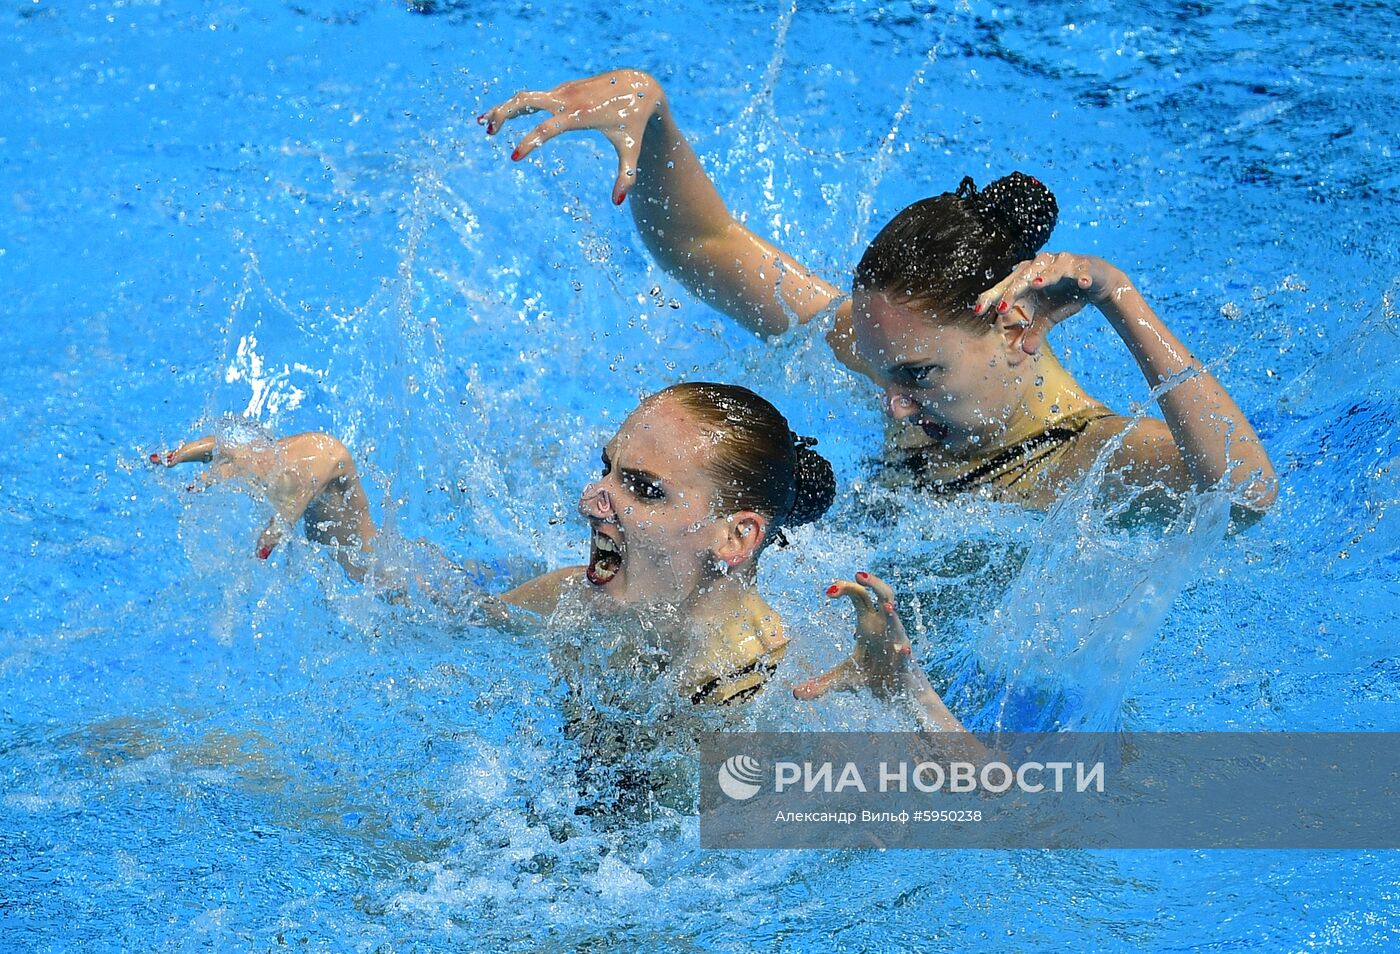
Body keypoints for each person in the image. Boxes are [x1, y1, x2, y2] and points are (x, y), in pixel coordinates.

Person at [479, 70, 1278, 517]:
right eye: (879, 365)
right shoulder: (897, 355)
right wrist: (654, 120)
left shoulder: (1089, 458)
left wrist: (1119, 295)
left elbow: (1246, 498)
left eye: (918, 377)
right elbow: (706, 247)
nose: (890, 402)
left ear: (1018, 327)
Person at [151, 383, 966, 731]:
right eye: (606, 467)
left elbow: (1009, 821)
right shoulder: (581, 597)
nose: (591, 499)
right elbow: (429, 610)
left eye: (641, 488)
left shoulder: (763, 686)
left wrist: (908, 697)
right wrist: (333, 480)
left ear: (735, 537)